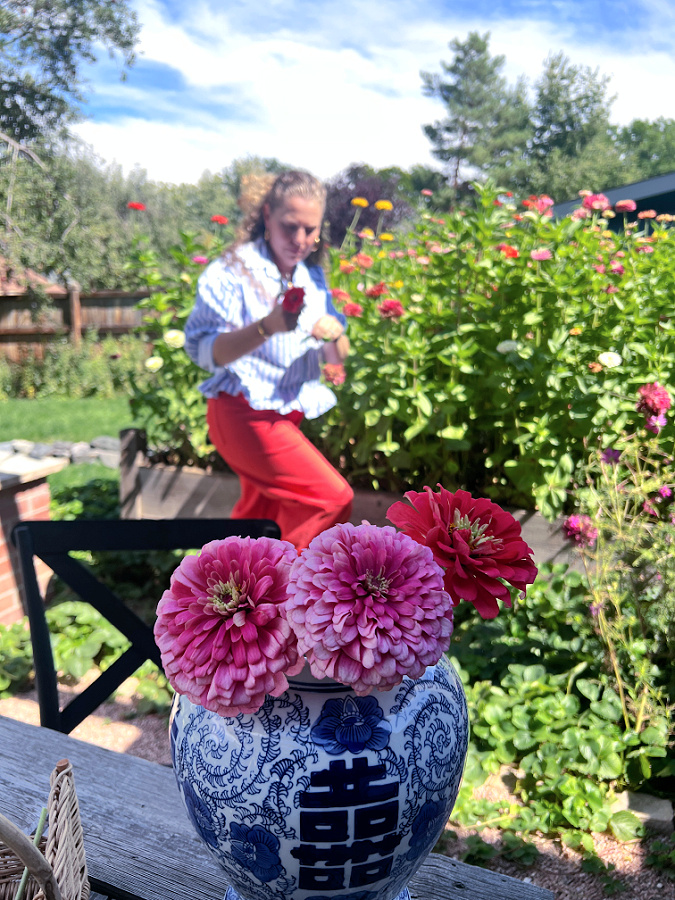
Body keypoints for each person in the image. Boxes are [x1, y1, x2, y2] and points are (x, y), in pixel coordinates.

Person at [184, 169, 353, 550]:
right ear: (266, 216)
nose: (300, 240)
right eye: (289, 227)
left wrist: (335, 334)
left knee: (258, 526)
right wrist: (267, 327)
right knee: (330, 499)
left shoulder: (310, 275)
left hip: (284, 416)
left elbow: (336, 358)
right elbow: (202, 350)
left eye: (310, 230)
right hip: (243, 414)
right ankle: (287, 597)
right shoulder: (232, 271)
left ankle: (229, 597)